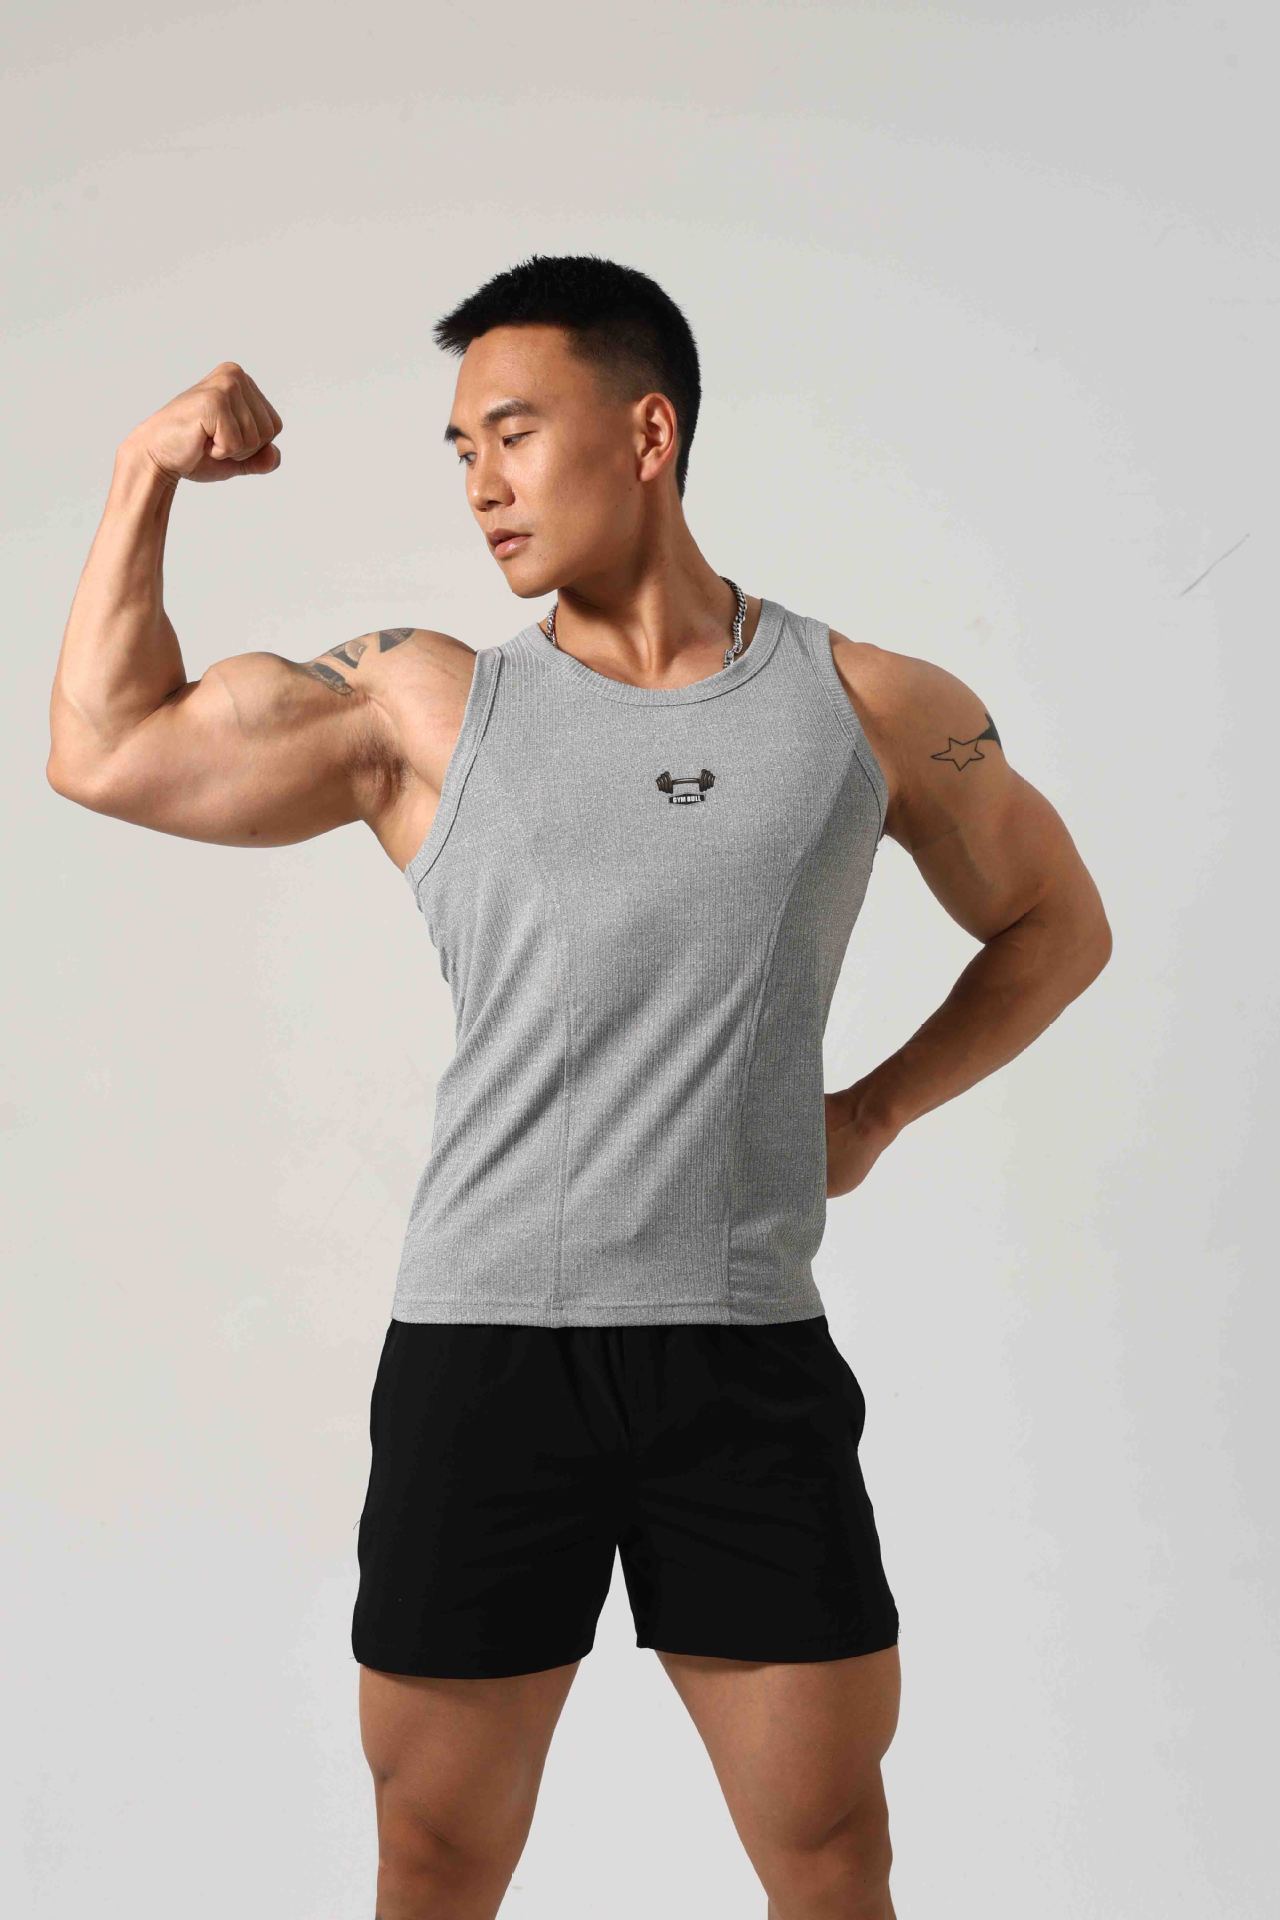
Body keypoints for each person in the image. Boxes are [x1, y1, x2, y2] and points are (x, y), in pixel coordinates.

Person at [47, 251, 1112, 1920]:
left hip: (743, 1357)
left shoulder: (869, 707)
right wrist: (141, 476)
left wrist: (877, 1111)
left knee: (829, 1855)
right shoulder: (425, 703)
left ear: (648, 433)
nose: (480, 482)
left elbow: (1056, 925)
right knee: (437, 1860)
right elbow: (107, 749)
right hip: (486, 1359)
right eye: (461, 448)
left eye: (515, 433)